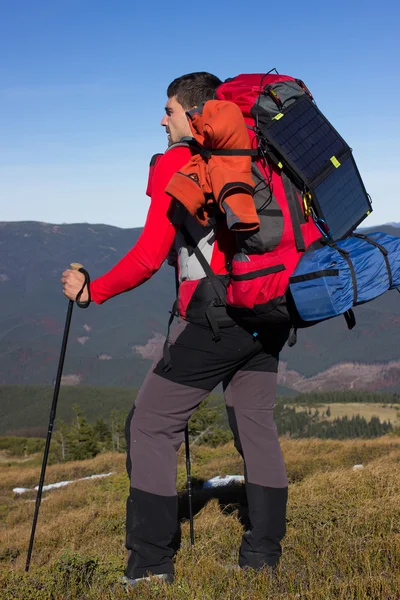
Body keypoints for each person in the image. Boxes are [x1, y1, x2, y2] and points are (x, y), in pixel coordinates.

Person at [61, 72, 290, 586]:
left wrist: (91, 290)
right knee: (254, 424)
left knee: (150, 425)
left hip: (217, 319)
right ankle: (264, 557)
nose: (161, 120)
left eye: (168, 111)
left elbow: (147, 257)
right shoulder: (258, 153)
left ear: (193, 114)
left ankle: (150, 566)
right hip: (270, 307)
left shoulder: (182, 160)